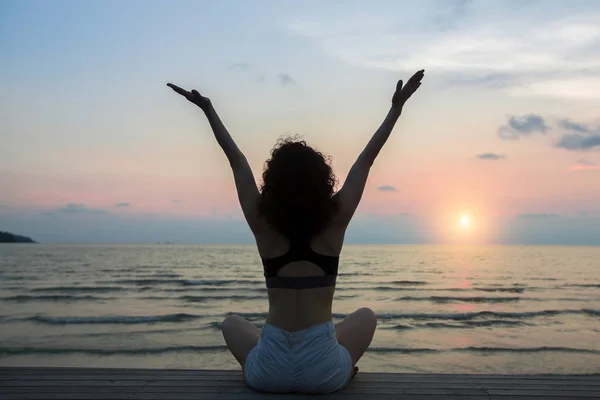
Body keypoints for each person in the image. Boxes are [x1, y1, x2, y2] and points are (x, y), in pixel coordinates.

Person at [167, 69, 424, 393]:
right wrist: (395, 111)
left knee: (231, 323)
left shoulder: (262, 222)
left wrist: (208, 110)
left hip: (267, 372)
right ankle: (340, 370)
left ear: (272, 182)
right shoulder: (336, 220)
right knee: (366, 316)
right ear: (322, 180)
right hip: (324, 374)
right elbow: (366, 161)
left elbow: (237, 162)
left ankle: (264, 360)